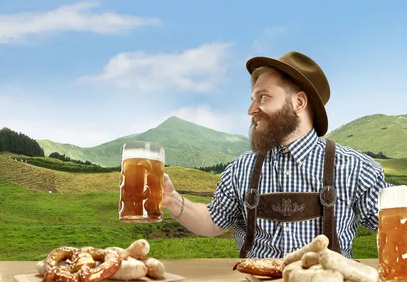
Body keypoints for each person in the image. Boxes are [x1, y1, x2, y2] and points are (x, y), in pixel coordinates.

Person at [162, 51, 394, 259]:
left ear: (299, 102)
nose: (251, 110)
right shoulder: (240, 168)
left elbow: (393, 227)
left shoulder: (357, 168)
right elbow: (212, 222)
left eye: (263, 97)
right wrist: (173, 201)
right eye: (253, 99)